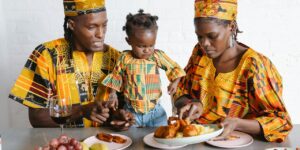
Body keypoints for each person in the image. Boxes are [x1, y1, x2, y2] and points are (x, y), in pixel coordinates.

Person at [174, 0, 292, 142]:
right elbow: (180, 89)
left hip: (236, 143)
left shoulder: (253, 66)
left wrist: (238, 123)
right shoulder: (200, 53)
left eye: (212, 36)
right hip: (196, 140)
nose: (204, 43)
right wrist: (191, 103)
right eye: (200, 36)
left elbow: (281, 121)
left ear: (231, 26)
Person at [9, 0, 134, 130]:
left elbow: (119, 107)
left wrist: (117, 117)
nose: (100, 34)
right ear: (72, 25)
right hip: (63, 143)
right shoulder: (46, 56)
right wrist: (80, 111)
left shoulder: (117, 59)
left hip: (107, 143)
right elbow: (36, 117)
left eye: (104, 25)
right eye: (92, 27)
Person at [102, 10, 186, 127]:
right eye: (141, 46)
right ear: (129, 41)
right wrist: (113, 94)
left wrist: (175, 83)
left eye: (151, 45)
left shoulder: (157, 56)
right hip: (131, 112)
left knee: (160, 138)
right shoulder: (125, 58)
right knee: (132, 140)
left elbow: (174, 68)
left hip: (156, 113)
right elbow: (116, 76)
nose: (147, 50)